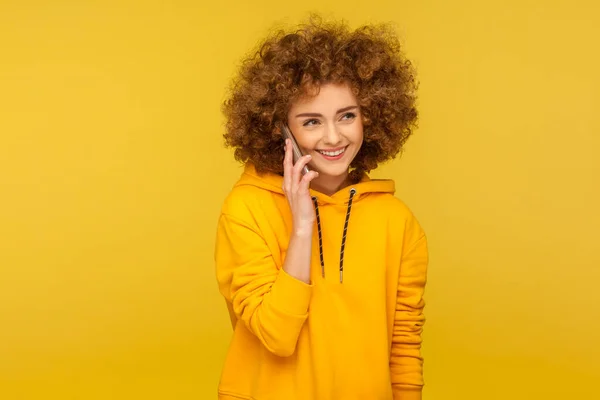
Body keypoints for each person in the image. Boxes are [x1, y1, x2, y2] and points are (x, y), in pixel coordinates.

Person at [214, 16, 428, 400]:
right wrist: (301, 228)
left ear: (371, 115)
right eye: (311, 121)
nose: (334, 137)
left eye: (347, 115)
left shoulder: (397, 222)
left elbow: (404, 349)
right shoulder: (245, 209)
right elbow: (276, 336)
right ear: (280, 130)